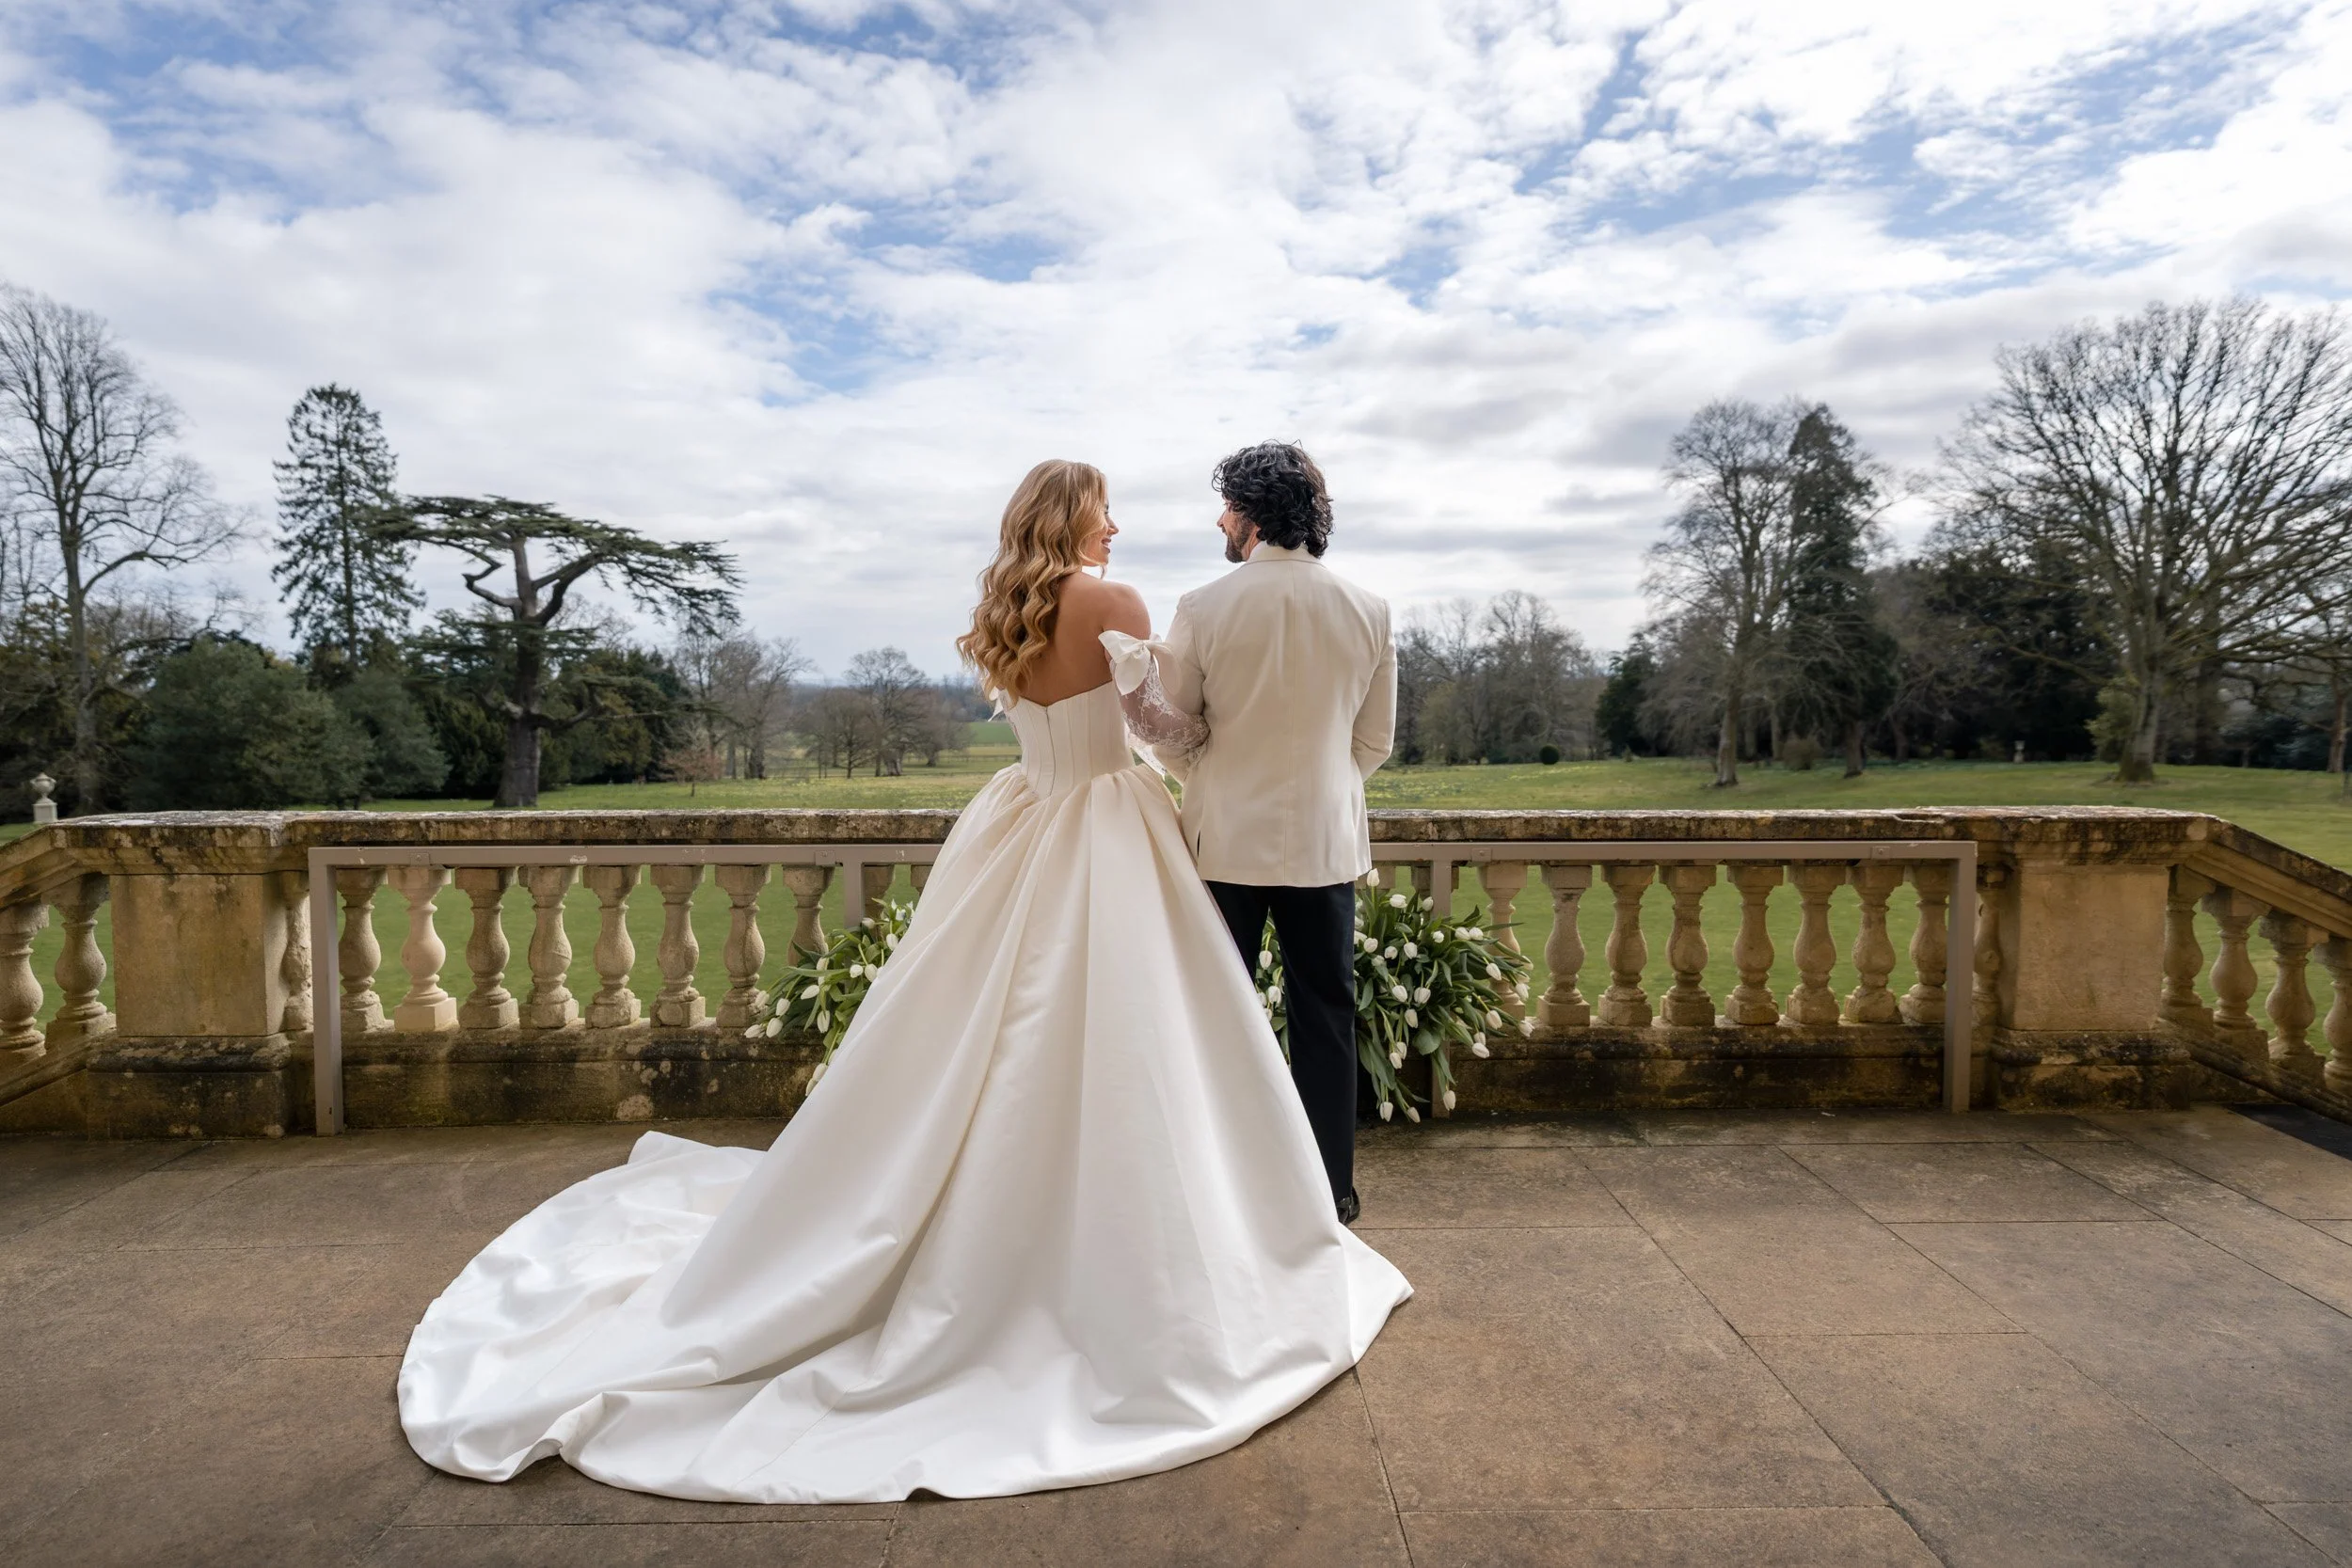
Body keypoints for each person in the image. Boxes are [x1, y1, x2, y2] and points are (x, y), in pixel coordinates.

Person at [397, 458, 1409, 1505]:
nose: (1119, 523)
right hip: (1122, 825)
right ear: (1074, 515)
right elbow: (1171, 730)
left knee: (1006, 1028)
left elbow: (1122, 718)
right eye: (1106, 508)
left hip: (1028, 817)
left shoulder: (1006, 603)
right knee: (1164, 1036)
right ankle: (1229, 1208)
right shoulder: (1131, 601)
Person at [1155, 442, 1397, 1225]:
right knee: (1326, 1013)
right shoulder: (1368, 608)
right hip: (1325, 843)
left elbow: (1175, 728)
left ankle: (1227, 1185)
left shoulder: (1203, 606)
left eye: (1226, 504)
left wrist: (1215, 777)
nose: (1219, 519)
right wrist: (1321, 790)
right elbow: (1374, 744)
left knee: (1222, 1012)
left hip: (1225, 838)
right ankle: (1331, 1189)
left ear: (1252, 514)